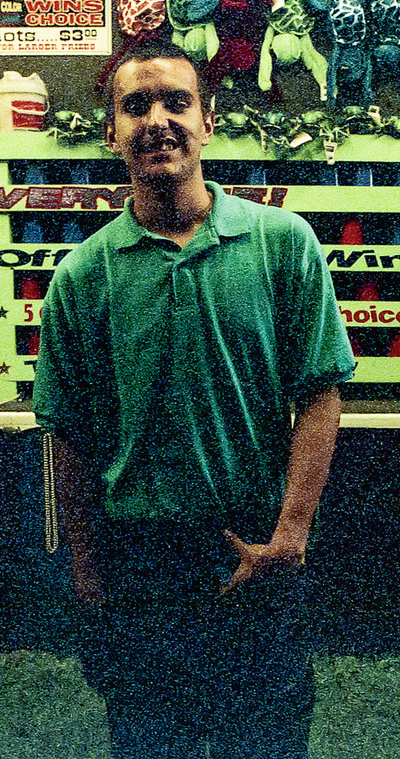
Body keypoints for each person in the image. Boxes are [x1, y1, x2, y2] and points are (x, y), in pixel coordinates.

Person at [32, 42, 356, 759]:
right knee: (152, 742)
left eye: (176, 101)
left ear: (208, 122)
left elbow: (320, 393)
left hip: (258, 546)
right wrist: (86, 571)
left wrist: (291, 536)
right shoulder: (81, 277)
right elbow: (70, 434)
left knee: (264, 743)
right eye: (135, 106)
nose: (157, 120)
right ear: (112, 133)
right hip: (141, 561)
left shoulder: (282, 244)